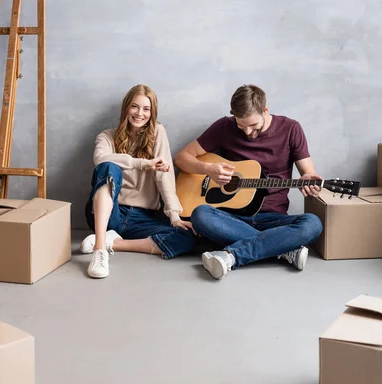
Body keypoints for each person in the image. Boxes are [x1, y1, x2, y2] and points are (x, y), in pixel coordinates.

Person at [174, 84, 323, 280]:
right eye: (241, 125)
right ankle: (281, 249)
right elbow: (181, 158)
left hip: (274, 219)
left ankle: (231, 255)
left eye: (253, 126)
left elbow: (308, 172)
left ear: (265, 111)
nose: (247, 132)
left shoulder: (291, 129)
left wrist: (307, 178)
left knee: (313, 224)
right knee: (200, 214)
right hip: (232, 218)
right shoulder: (223, 127)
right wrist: (209, 169)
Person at [82, 84, 197, 278]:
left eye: (146, 109)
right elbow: (100, 159)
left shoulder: (157, 133)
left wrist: (174, 215)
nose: (139, 113)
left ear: (152, 113)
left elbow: (164, 175)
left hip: (143, 218)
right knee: (109, 167)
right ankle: (99, 250)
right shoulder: (107, 136)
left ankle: (113, 243)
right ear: (126, 107)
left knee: (188, 237)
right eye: (135, 106)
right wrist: (144, 163)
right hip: (111, 212)